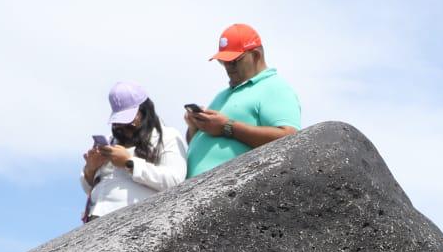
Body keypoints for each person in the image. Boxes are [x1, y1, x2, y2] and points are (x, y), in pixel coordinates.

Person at [184, 23, 301, 177]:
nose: (227, 67)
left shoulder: (274, 87)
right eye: (223, 61)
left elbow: (290, 139)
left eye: (234, 61)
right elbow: (201, 143)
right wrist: (195, 127)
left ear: (256, 55)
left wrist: (227, 127)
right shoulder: (222, 95)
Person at [81, 82, 187, 220]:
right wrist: (91, 169)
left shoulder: (168, 136)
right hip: (96, 218)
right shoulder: (110, 140)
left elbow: (175, 181)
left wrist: (129, 163)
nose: (124, 129)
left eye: (130, 123)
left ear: (145, 111)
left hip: (136, 220)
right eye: (119, 124)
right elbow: (88, 188)